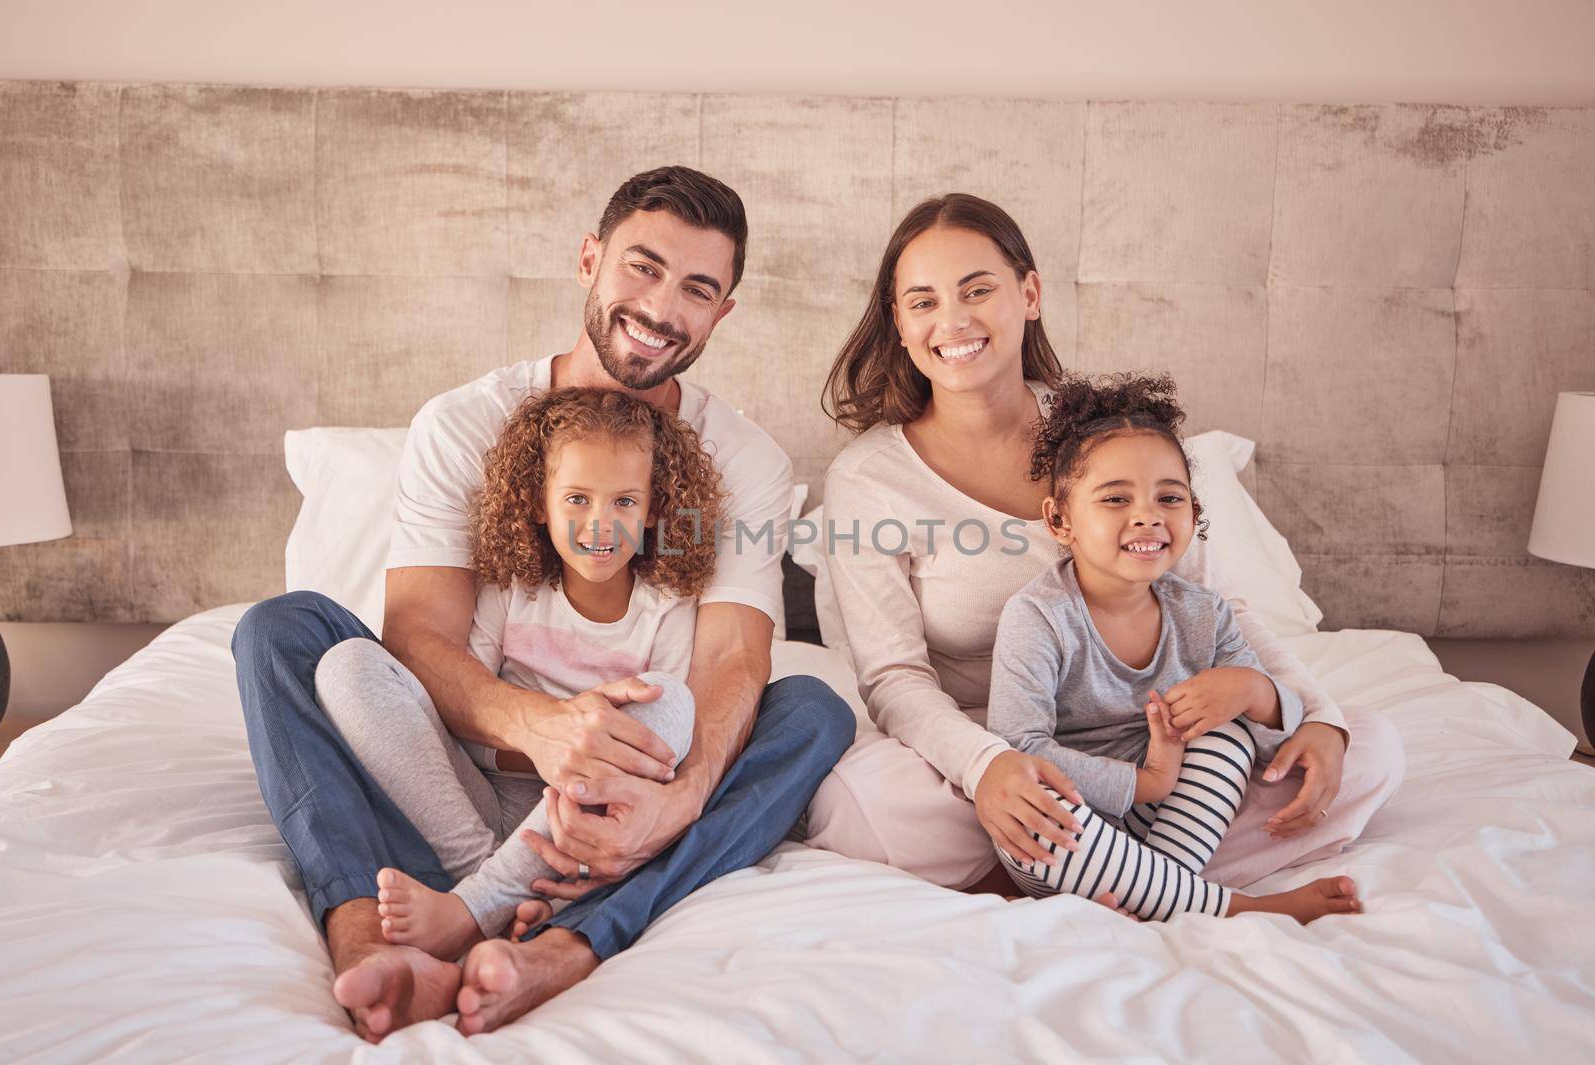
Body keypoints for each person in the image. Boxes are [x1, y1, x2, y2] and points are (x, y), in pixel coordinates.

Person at [233, 167, 855, 1041]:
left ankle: (563, 943)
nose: (662, 306)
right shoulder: (464, 424)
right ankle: (370, 936)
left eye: (697, 288)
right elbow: (419, 633)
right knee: (283, 630)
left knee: (812, 708)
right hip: (457, 769)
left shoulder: (744, 459)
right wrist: (542, 727)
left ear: (723, 312)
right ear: (590, 259)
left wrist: (675, 804)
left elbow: (731, 660)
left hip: (633, 796)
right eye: (642, 267)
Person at [805, 192, 1403, 898]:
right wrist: (987, 767)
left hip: (1155, 729)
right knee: (862, 806)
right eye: (924, 301)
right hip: (998, 746)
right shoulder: (869, 478)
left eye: (977, 290)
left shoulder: (1115, 435)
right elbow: (894, 677)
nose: (954, 320)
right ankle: (1146, 868)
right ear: (899, 324)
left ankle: (1085, 873)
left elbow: (1216, 607)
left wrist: (1319, 717)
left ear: (1028, 293)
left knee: (1369, 752)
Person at [313, 387, 721, 961]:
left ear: (654, 509)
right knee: (349, 664)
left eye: (624, 502)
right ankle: (486, 882)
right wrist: (548, 746)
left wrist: (584, 763)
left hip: (582, 824)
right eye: (577, 497)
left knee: (675, 701)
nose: (600, 524)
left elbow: (659, 756)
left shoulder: (668, 608)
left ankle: (475, 903)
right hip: (476, 804)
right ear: (538, 503)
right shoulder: (511, 593)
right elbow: (463, 723)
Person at [983, 371, 1358, 922]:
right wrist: (1144, 781)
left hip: (1164, 828)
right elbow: (1020, 746)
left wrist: (1254, 691)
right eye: (1115, 498)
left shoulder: (1204, 613)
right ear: (1060, 520)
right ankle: (1244, 908)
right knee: (1032, 795)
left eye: (1170, 497)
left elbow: (1270, 737)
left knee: (1228, 733)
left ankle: (1148, 893)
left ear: (1194, 513)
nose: (1148, 515)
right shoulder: (1038, 615)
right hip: (1078, 820)